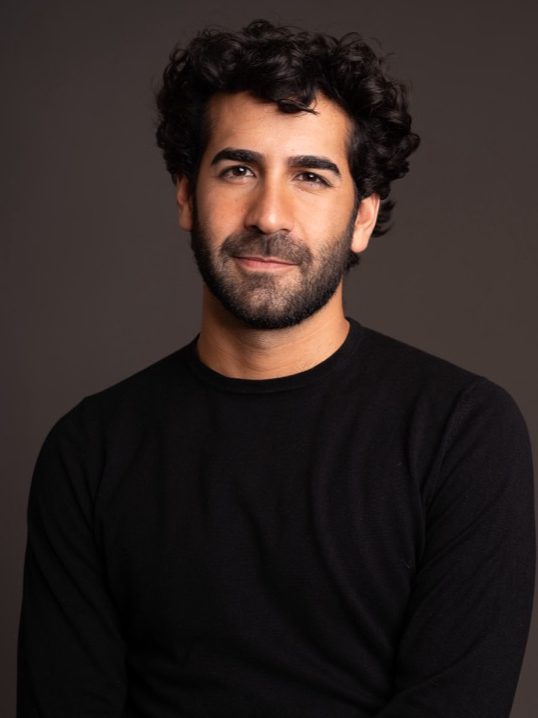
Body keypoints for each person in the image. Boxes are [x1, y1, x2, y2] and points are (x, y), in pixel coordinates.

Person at [17, 19, 535, 718]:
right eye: (238, 170)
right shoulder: (89, 451)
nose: (269, 215)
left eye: (310, 177)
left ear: (362, 218)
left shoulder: (462, 434)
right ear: (185, 195)